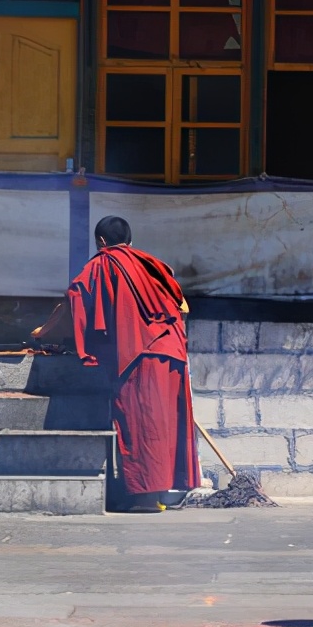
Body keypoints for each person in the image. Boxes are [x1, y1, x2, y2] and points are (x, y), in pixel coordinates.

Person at [32, 216, 199, 512]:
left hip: (140, 354)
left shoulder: (102, 263)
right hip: (173, 353)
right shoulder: (155, 266)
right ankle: (163, 494)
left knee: (141, 425)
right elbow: (181, 304)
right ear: (131, 241)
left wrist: (43, 334)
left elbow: (76, 301)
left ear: (101, 242)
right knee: (167, 425)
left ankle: (147, 500)